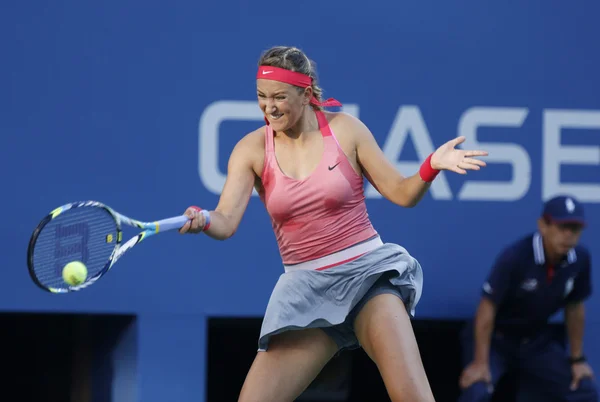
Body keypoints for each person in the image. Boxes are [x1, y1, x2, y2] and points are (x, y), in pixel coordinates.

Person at [180, 46, 488, 402]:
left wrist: (432, 164)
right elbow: (226, 221)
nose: (270, 107)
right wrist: (203, 220)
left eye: (280, 97)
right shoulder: (250, 149)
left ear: (306, 93)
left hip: (368, 277)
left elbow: (402, 193)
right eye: (262, 97)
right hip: (306, 290)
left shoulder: (347, 130)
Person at [458, 195, 598, 402]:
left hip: (536, 342)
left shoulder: (581, 259)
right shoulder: (516, 256)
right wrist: (480, 362)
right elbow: (488, 307)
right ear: (543, 225)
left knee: (584, 390)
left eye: (574, 229)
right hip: (496, 340)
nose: (568, 235)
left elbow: (575, 306)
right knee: (477, 391)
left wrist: (577, 359)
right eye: (561, 227)